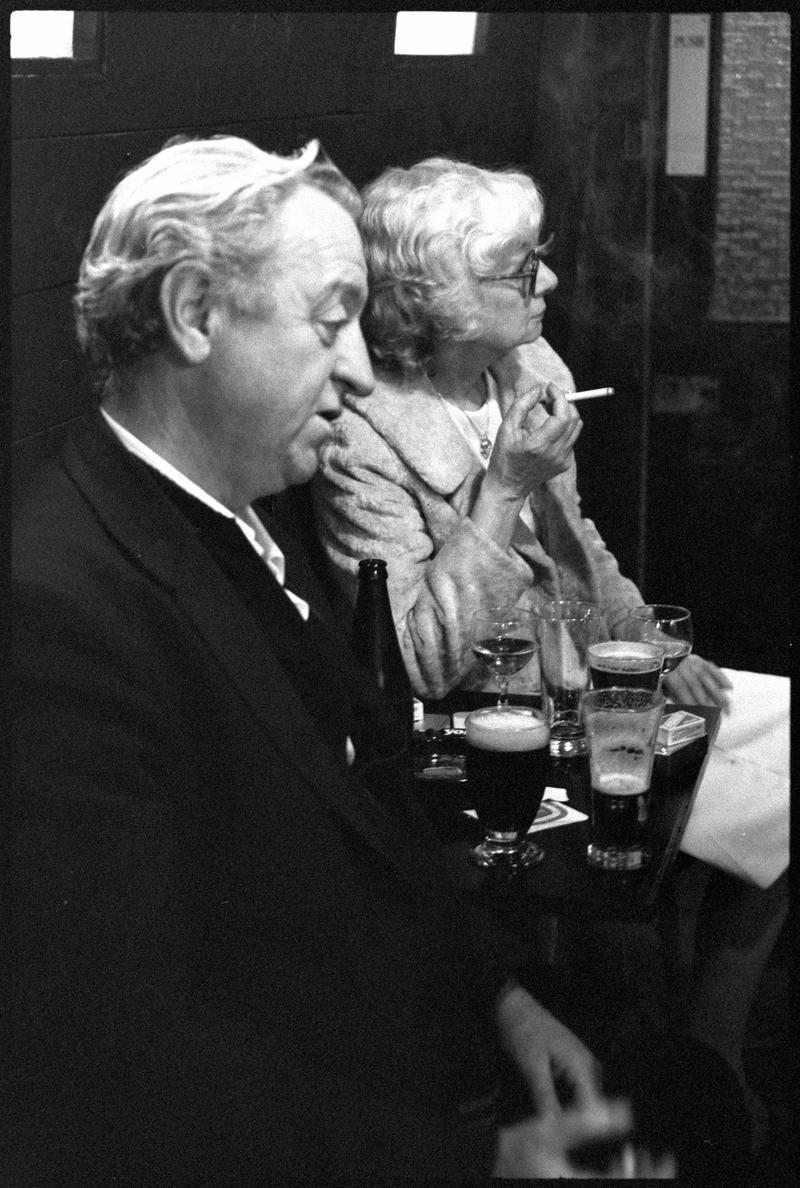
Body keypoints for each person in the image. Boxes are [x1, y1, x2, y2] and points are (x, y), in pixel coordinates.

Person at [7, 134, 685, 1184]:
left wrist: (501, 996)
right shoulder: (56, 610)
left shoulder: (233, 514)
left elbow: (371, 809)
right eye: (330, 325)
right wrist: (479, 1163)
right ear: (193, 314)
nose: (362, 371)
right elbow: (126, 1066)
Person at [310, 156, 788, 1119]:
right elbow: (421, 660)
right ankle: (693, 1060)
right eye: (522, 267)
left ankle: (713, 1034)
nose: (551, 282)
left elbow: (579, 547)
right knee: (700, 840)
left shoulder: (531, 370)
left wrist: (650, 642)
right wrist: (504, 487)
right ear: (434, 299)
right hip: (500, 723)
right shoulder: (359, 432)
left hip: (594, 676)